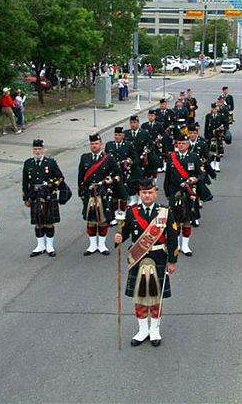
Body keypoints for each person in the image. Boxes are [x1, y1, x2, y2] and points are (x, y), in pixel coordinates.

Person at [115, 179, 179, 347]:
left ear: (155, 193)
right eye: (144, 193)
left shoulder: (164, 212)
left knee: (156, 297)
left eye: (150, 192)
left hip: (158, 257)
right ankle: (142, 330)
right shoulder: (132, 212)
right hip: (138, 258)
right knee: (140, 296)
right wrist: (119, 237)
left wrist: (172, 261)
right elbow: (125, 231)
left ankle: (155, 329)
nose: (147, 195)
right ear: (139, 194)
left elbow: (172, 237)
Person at [78, 133, 127, 256]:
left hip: (103, 193)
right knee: (91, 220)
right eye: (92, 144)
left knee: (103, 220)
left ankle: (102, 244)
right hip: (89, 194)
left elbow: (118, 173)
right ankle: (92, 245)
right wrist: (81, 192)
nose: (94, 146)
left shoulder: (108, 158)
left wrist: (112, 180)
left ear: (101, 144)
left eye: (96, 143)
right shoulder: (85, 158)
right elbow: (81, 177)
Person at [22, 139, 66, 257]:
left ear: (43, 149)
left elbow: (60, 177)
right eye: (35, 149)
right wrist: (26, 198)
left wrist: (52, 185)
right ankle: (40, 246)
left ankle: (50, 246)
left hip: (48, 195)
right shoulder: (28, 163)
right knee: (38, 222)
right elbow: (25, 182)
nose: (37, 151)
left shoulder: (50, 163)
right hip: (35, 196)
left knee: (49, 222)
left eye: (39, 149)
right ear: (32, 150)